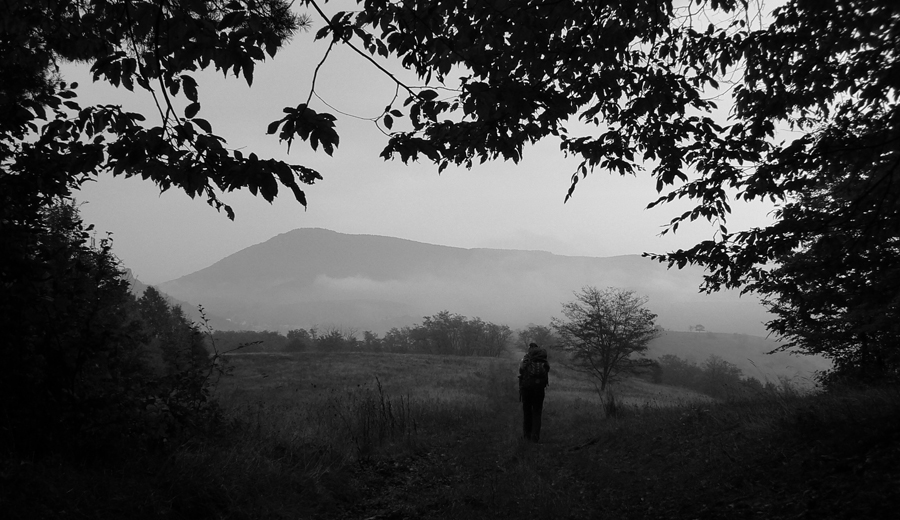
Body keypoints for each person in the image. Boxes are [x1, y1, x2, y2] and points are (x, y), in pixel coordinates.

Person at [518, 342, 550, 442]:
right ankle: (535, 437)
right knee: (537, 412)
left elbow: (521, 371)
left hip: (526, 388)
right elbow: (547, 370)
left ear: (529, 349)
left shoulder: (526, 358)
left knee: (527, 411)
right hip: (539, 389)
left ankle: (526, 436)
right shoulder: (543, 360)